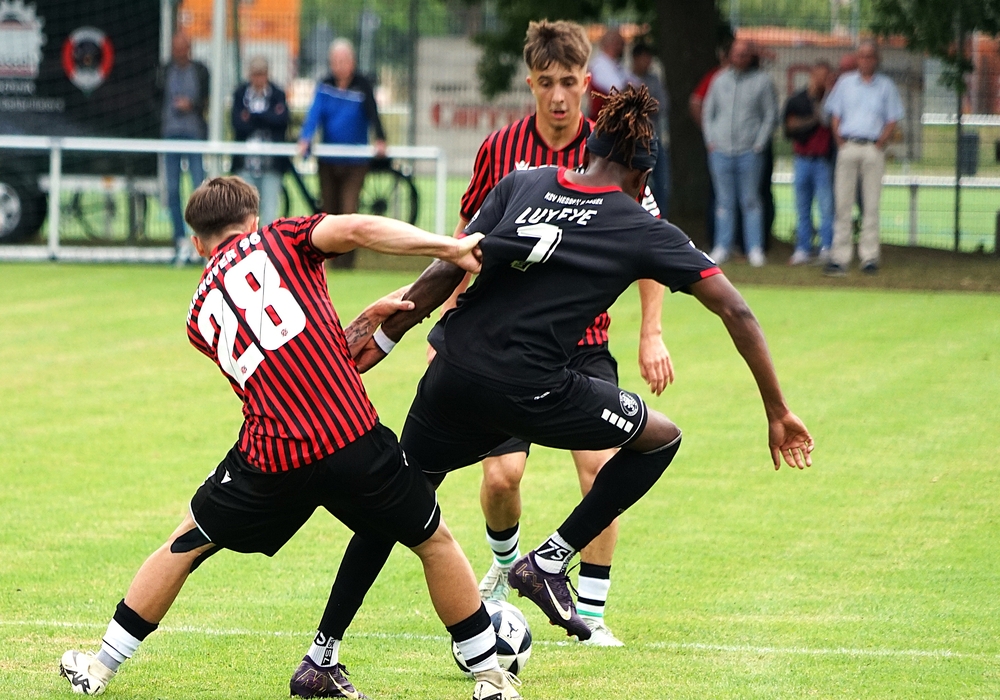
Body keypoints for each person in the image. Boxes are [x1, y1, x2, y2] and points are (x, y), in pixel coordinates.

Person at [346, 84, 813, 649]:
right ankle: (550, 560)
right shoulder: (640, 225)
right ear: (643, 179)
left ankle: (323, 651)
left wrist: (388, 334)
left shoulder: (522, 182)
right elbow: (736, 310)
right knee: (660, 439)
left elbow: (453, 262)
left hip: (451, 372)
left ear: (588, 149)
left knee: (399, 500)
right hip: (531, 388)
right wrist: (777, 409)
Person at [58, 177, 524, 700]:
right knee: (434, 543)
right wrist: (449, 247)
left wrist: (362, 324)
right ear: (253, 220)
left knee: (186, 541)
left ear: (197, 243)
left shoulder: (197, 316)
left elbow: (281, 366)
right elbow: (358, 228)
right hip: (350, 436)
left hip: (272, 456)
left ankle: (100, 667)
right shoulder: (283, 237)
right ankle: (490, 680)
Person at [438, 19, 674, 648]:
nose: (560, 95)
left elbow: (652, 245)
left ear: (586, 81)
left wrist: (651, 332)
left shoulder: (611, 154)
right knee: (501, 478)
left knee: (602, 468)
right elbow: (465, 241)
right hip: (507, 346)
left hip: (583, 343)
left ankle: (590, 614)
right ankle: (505, 566)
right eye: (547, 82)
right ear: (531, 84)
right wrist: (452, 316)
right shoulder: (501, 150)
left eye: (570, 81)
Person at [298, 39, 387, 269]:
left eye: (343, 61)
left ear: (352, 62)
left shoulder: (362, 86)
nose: (339, 66)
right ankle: (328, 261)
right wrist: (306, 137)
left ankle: (347, 263)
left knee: (349, 210)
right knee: (329, 213)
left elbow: (373, 113)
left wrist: (380, 138)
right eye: (335, 61)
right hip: (328, 160)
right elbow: (314, 113)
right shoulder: (325, 86)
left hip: (355, 162)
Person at [823, 40, 902, 277]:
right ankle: (840, 256)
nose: (866, 60)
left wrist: (880, 144)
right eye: (862, 56)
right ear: (857, 59)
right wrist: (839, 140)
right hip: (849, 145)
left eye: (870, 56)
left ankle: (869, 257)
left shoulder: (886, 86)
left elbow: (892, 118)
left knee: (871, 204)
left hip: (872, 148)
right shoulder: (845, 84)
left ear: (877, 59)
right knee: (842, 204)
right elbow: (835, 114)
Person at [702, 38, 778, 267]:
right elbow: (708, 112)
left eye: (745, 54)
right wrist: (711, 141)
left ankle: (754, 248)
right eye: (737, 53)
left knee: (751, 200)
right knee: (724, 201)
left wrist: (759, 144)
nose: (741, 58)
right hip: (721, 150)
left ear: (751, 56)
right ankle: (722, 246)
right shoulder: (719, 80)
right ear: (730, 55)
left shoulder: (762, 81)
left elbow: (770, 115)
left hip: (749, 151)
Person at [157, 33, 209, 264]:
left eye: (182, 48)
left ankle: (202, 240)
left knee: (199, 188)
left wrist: (192, 105)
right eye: (175, 48)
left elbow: (206, 98)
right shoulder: (165, 71)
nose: (178, 53)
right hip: (170, 134)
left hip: (194, 133)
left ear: (189, 49)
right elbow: (155, 97)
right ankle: (179, 240)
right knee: (172, 189)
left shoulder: (199, 71)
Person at [783, 61, 834, 265]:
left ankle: (826, 247)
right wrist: (811, 120)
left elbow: (827, 122)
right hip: (802, 159)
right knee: (802, 207)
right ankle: (803, 248)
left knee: (826, 207)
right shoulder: (797, 100)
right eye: (820, 75)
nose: (822, 80)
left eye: (826, 76)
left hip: (822, 161)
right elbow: (789, 127)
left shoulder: (831, 101)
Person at [230, 56, 289, 227]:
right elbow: (238, 124)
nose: (258, 78)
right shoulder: (240, 93)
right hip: (245, 165)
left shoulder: (277, 94)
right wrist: (268, 117)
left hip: (271, 165)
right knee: (244, 214)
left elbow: (281, 121)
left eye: (261, 74)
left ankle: (267, 245)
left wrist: (253, 116)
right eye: (255, 74)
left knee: (269, 213)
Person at [631, 43, 671, 218]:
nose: (648, 63)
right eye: (645, 58)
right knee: (639, 183)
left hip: (654, 138)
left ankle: (661, 219)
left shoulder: (654, 79)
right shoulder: (626, 79)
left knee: (663, 183)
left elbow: (662, 105)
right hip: (635, 142)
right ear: (636, 58)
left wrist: (642, 105)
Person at [588, 27, 631, 118]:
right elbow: (619, 91)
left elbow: (637, 84)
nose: (623, 48)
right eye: (621, 44)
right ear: (613, 44)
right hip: (605, 121)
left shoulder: (616, 65)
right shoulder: (600, 66)